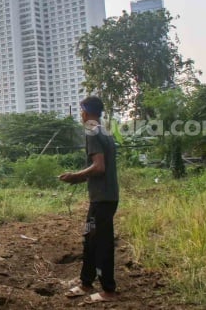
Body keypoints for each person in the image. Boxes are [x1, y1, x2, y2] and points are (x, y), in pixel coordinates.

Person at [59, 96, 119, 304]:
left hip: (102, 199)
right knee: (90, 239)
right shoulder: (104, 130)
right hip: (106, 197)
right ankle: (86, 283)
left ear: (84, 111)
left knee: (100, 242)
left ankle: (108, 290)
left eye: (80, 111)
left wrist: (76, 176)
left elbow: (99, 166)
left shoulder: (92, 131)